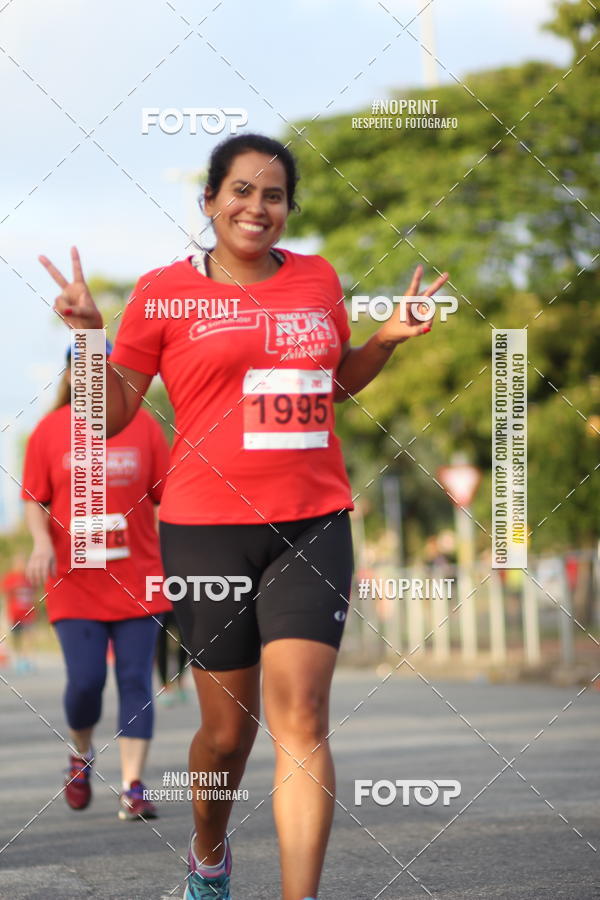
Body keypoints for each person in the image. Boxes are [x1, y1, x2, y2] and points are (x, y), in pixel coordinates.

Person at [39, 133, 448, 900]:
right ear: (209, 202)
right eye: (241, 191)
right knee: (228, 736)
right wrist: (90, 338)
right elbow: (111, 415)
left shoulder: (319, 280)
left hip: (313, 518)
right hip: (206, 529)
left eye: (273, 195)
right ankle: (210, 854)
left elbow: (337, 381)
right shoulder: (163, 293)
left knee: (305, 714)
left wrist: (387, 337)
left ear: (289, 208)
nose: (257, 207)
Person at [22, 345, 172, 820]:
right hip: (75, 580)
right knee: (85, 682)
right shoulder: (49, 431)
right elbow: (33, 498)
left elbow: (169, 497)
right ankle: (81, 752)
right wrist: (41, 541)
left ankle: (133, 787)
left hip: (139, 575)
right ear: (69, 376)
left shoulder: (144, 427)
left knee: (135, 679)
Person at [1, 551, 37, 672]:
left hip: (27, 613)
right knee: (16, 637)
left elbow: (34, 594)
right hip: (14, 613)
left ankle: (26, 659)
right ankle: (17, 658)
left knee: (28, 636)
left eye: (24, 562)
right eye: (19, 562)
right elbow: (5, 595)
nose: (22, 564)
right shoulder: (10, 578)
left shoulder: (29, 578)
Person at [156, 609, 189, 705]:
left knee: (185, 640)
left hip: (181, 600)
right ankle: (165, 686)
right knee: (161, 642)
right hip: (161, 600)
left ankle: (180, 680)